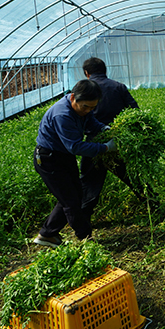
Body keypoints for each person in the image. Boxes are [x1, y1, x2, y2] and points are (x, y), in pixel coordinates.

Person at [33, 79, 115, 247]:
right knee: (71, 201)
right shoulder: (62, 115)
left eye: (93, 107)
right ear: (73, 98)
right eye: (85, 106)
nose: (88, 110)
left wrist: (103, 128)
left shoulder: (84, 108)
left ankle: (47, 234)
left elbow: (90, 121)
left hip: (63, 157)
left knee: (74, 195)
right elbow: (75, 146)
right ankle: (86, 238)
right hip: (49, 159)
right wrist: (105, 148)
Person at [79, 57, 146, 219]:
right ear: (105, 70)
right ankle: (154, 205)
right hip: (117, 141)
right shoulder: (118, 87)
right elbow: (135, 112)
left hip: (93, 144)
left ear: (87, 73)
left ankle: (83, 220)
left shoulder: (83, 91)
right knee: (132, 177)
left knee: (89, 184)